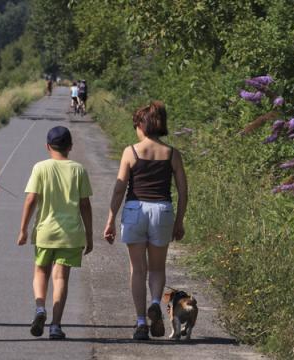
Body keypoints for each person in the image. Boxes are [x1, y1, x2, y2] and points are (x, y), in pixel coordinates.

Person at [103, 101, 188, 340]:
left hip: (135, 209)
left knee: (137, 270)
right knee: (157, 268)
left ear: (142, 125)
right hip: (162, 210)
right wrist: (179, 221)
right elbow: (183, 191)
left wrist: (110, 219)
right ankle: (154, 302)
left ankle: (141, 322)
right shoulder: (172, 154)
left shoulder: (130, 152)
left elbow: (119, 189)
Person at [17, 126, 93, 340]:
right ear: (70, 146)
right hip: (71, 234)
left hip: (45, 232)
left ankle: (40, 307)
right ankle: (56, 326)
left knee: (41, 272)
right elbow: (85, 205)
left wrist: (23, 229)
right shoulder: (79, 170)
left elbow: (31, 199)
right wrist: (89, 235)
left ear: (47, 146)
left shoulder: (40, 168)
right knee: (61, 278)